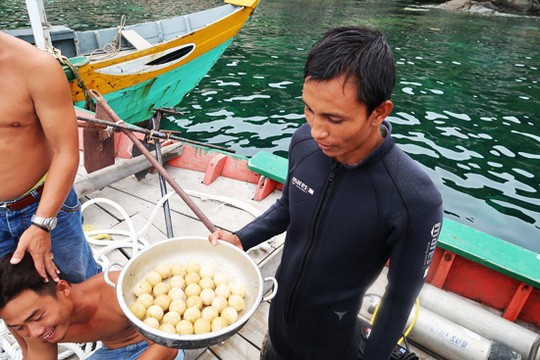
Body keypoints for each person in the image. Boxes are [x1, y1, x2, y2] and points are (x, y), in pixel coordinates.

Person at [209, 26, 444, 360]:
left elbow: (399, 301)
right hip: (277, 331)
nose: (317, 130)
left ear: (379, 112)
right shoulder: (303, 143)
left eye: (334, 118)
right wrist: (240, 238)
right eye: (309, 109)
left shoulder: (414, 199)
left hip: (330, 348)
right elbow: (289, 206)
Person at [0, 31, 101, 284]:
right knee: (10, 301)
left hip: (42, 204)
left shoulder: (36, 67)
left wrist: (42, 224)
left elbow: (65, 152)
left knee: (81, 283)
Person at [0, 252, 184, 360]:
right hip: (110, 353)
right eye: (18, 327)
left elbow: (167, 347)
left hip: (154, 348)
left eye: (38, 317)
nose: (34, 333)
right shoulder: (32, 325)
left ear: (63, 288)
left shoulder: (115, 289)